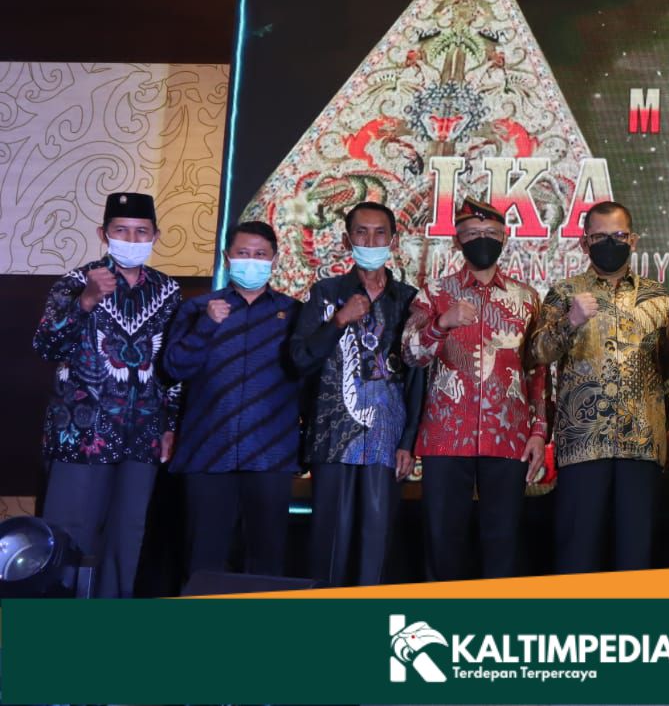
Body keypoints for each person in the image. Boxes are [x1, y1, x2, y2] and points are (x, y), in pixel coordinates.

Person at [32, 192, 182, 597]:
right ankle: (58, 626)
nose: (131, 239)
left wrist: (169, 424)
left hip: (143, 435)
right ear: (104, 234)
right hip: (81, 433)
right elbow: (45, 346)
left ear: (155, 236)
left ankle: (112, 622)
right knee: (69, 536)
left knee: (127, 538)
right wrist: (86, 301)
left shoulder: (168, 290)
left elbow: (172, 364)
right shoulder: (74, 282)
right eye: (121, 230)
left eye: (141, 232)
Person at [530, 201, 669, 573]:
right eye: (599, 237)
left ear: (633, 240)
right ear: (584, 243)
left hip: (642, 445)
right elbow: (538, 353)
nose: (610, 244)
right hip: (583, 444)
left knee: (635, 556)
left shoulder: (658, 298)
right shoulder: (565, 293)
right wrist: (570, 321)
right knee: (577, 554)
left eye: (618, 236)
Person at [402, 198, 547, 581]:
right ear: (457, 240)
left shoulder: (526, 298)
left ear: (504, 238)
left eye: (491, 233)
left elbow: (537, 370)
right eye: (472, 233)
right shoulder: (434, 293)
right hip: (447, 436)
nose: (482, 240)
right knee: (442, 542)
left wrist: (538, 431)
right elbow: (410, 355)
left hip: (508, 435)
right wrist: (441, 325)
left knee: (503, 543)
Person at [289, 201, 424, 586]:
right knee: (329, 547)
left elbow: (417, 376)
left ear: (393, 240)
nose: (371, 240)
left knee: (375, 551)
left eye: (380, 233)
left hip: (386, 441)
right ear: (348, 240)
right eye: (362, 233)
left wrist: (408, 442)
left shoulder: (409, 300)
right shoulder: (326, 293)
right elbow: (299, 359)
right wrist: (339, 321)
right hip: (332, 439)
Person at [163, 220, 302, 578]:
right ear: (227, 258)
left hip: (270, 454)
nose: (251, 261)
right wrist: (207, 325)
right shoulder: (197, 309)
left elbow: (308, 376)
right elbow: (174, 368)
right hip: (208, 452)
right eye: (243, 253)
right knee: (204, 561)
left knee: (266, 563)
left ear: (275, 260)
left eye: (260, 254)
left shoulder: (294, 313)